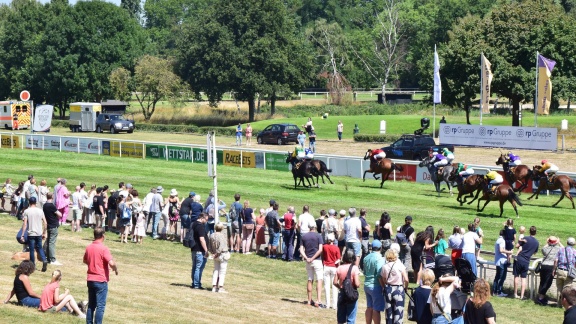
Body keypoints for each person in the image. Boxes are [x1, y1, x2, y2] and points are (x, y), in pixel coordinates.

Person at [84, 227, 118, 324]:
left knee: (91, 305)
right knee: (100, 306)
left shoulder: (89, 247)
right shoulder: (104, 248)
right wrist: (115, 269)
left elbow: (85, 260)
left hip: (90, 279)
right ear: (103, 236)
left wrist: (92, 265)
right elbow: (111, 263)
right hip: (100, 280)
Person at [380, 249, 409, 324]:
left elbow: (384, 279)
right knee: (398, 313)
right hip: (398, 289)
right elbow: (406, 279)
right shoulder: (400, 265)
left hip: (389, 289)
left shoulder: (384, 267)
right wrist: (405, 288)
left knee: (389, 312)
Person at [20, 196, 48, 272]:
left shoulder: (27, 211)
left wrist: (22, 234)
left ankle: (33, 265)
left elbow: (25, 224)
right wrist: (44, 232)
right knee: (40, 248)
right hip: (38, 232)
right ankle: (44, 260)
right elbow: (45, 223)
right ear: (36, 202)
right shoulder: (40, 211)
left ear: (29, 202)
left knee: (32, 250)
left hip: (31, 233)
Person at [300, 223, 325, 308]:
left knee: (310, 279)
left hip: (308, 261)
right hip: (317, 260)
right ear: (315, 227)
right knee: (319, 279)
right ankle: (318, 300)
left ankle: (309, 300)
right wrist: (313, 258)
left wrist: (307, 257)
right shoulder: (318, 236)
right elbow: (320, 249)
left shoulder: (304, 236)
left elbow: (301, 250)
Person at [334, 250, 361, 323]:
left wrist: (340, 287)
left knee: (341, 318)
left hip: (342, 293)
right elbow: (357, 284)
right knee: (351, 318)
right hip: (351, 293)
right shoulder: (355, 268)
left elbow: (335, 282)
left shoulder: (339, 268)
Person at [513, 226, 539, 300]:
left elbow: (517, 246)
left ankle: (515, 293)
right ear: (535, 232)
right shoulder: (536, 242)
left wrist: (520, 245)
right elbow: (534, 253)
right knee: (523, 278)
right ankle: (522, 296)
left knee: (516, 276)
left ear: (529, 231)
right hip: (526, 261)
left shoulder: (526, 238)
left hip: (519, 258)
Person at [363, 240, 385, 324]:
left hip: (367, 284)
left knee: (369, 307)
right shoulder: (379, 258)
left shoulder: (366, 257)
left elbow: (364, 272)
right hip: (376, 285)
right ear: (380, 247)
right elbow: (379, 274)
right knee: (376, 309)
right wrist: (383, 286)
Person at [537, 236, 562, 305]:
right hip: (551, 267)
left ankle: (540, 296)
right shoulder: (558, 249)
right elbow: (564, 249)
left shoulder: (545, 248)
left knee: (542, 281)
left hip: (544, 266)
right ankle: (541, 298)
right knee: (547, 282)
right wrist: (559, 242)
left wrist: (547, 242)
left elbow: (543, 248)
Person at [209, 223, 230, 293]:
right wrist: (217, 253)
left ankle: (214, 287)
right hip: (222, 254)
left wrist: (213, 253)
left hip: (215, 254)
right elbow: (221, 246)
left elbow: (210, 246)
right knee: (222, 272)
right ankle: (221, 287)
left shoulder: (211, 235)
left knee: (216, 270)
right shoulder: (222, 236)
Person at [43, 193, 63, 266]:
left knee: (48, 242)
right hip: (53, 225)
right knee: (52, 243)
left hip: (48, 224)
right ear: (52, 197)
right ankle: (52, 259)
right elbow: (59, 214)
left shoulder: (45, 205)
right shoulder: (51, 206)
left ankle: (48, 258)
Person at [555, 237, 576, 304]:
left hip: (560, 270)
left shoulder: (561, 250)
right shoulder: (574, 252)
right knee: (567, 288)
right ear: (574, 244)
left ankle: (559, 303)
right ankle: (566, 304)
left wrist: (554, 269)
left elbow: (556, 260)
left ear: (567, 242)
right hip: (569, 272)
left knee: (559, 288)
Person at [323, 233, 341, 310]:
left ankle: (327, 304)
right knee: (334, 287)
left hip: (326, 266)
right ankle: (334, 305)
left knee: (326, 286)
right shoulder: (336, 248)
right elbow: (338, 259)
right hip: (334, 267)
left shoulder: (324, 247)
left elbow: (323, 256)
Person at [191, 213, 209, 289]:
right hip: (200, 250)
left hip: (194, 249)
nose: (206, 221)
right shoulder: (200, 226)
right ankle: (197, 284)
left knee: (195, 267)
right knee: (199, 267)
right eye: (206, 219)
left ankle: (194, 283)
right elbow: (202, 239)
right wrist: (206, 250)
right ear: (202, 218)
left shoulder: (193, 223)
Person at [493, 229, 512, 297]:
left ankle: (494, 291)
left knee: (497, 277)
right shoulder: (502, 241)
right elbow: (501, 250)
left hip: (498, 261)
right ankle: (499, 291)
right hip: (501, 261)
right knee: (501, 277)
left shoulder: (498, 240)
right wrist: (509, 252)